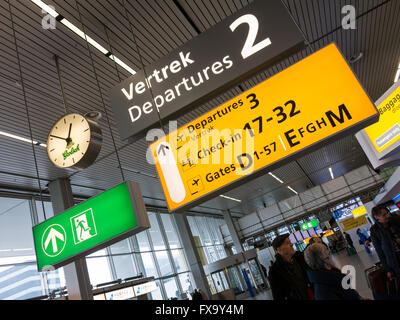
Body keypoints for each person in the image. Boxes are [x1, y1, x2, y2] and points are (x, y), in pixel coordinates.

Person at [268, 234, 313, 300]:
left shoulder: (300, 259)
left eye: (290, 242)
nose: (292, 244)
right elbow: (277, 295)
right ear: (279, 249)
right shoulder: (275, 271)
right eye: (287, 243)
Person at [370, 205, 400, 280]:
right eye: (384, 215)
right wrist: (388, 270)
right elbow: (379, 251)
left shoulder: (396, 220)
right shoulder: (374, 230)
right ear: (376, 217)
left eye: (388, 212)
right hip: (395, 262)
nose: (388, 215)